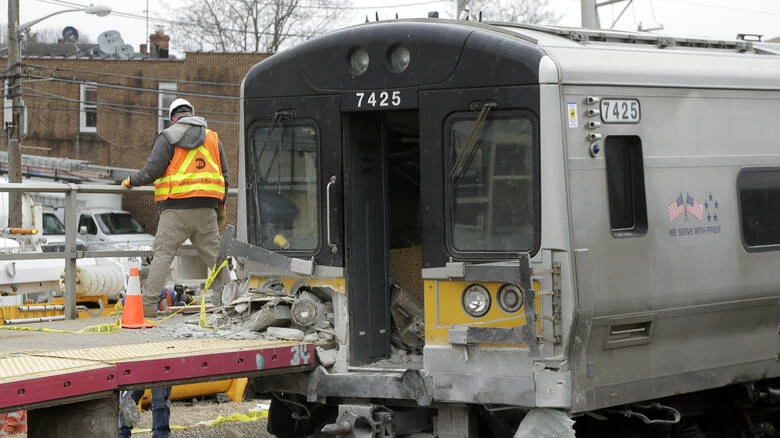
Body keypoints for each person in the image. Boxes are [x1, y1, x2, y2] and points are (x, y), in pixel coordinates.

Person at [121, 97, 229, 317]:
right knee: (215, 260)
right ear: (192, 113)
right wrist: (220, 207)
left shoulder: (168, 137)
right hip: (207, 209)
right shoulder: (213, 138)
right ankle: (233, 302)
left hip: (175, 210)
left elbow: (153, 170)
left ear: (173, 117)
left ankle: (149, 308)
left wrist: (131, 180)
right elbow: (224, 176)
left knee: (162, 256)